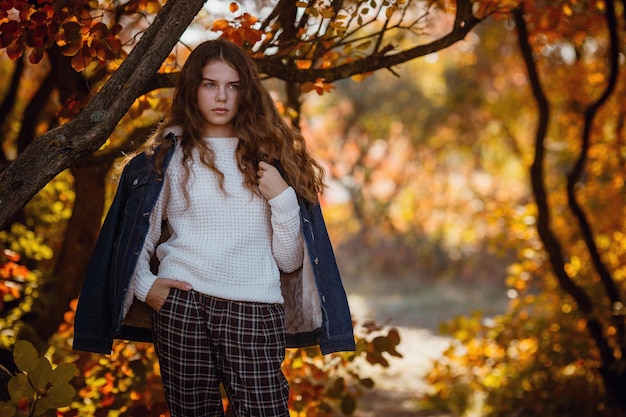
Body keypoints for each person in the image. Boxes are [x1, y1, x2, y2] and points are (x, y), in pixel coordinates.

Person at [73, 38, 355, 417]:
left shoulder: (270, 161)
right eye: (210, 84)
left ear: (247, 92)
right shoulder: (165, 159)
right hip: (181, 306)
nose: (221, 96)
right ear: (193, 90)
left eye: (233, 86)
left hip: (255, 310)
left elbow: (289, 263)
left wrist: (283, 199)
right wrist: (147, 287)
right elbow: (136, 239)